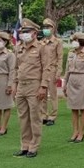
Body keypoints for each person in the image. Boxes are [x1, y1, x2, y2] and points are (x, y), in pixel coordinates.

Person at [12, 19, 54, 158]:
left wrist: (43, 86)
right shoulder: (19, 47)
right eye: (22, 32)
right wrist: (14, 85)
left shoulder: (42, 48)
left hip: (34, 85)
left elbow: (46, 68)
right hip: (21, 86)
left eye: (27, 32)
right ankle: (24, 145)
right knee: (23, 117)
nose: (24, 34)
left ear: (35, 33)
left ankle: (33, 146)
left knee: (35, 117)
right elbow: (16, 68)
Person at [64, 32, 84, 142]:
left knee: (83, 108)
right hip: (72, 80)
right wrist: (65, 83)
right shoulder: (71, 53)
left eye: (75, 40)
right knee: (74, 108)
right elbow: (67, 70)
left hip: (83, 80)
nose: (74, 42)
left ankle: (82, 132)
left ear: (81, 42)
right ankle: (75, 131)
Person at [40, 18, 64, 126]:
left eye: (48, 27)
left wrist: (59, 72)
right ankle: (43, 115)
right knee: (42, 94)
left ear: (53, 28)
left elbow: (60, 58)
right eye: (44, 27)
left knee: (53, 95)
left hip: (52, 70)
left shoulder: (57, 42)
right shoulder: (41, 42)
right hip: (42, 71)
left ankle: (52, 116)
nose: (46, 29)